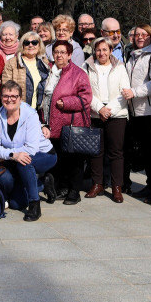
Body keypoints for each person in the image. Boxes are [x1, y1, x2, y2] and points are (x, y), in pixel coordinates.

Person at [0, 80, 58, 222]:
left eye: (14, 96)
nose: (10, 99)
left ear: (20, 98)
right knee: (16, 203)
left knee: (25, 162)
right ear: (1, 98)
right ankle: (43, 183)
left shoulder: (30, 114)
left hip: (45, 155)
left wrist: (7, 155)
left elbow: (31, 148)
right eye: (6, 96)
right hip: (17, 158)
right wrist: (12, 155)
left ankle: (34, 205)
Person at [83, 37, 131, 203]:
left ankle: (117, 186)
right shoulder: (87, 67)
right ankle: (97, 184)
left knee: (116, 152)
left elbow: (124, 92)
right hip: (95, 113)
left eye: (105, 49)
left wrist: (108, 110)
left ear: (111, 51)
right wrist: (99, 108)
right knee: (96, 151)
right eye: (98, 50)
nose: (101, 53)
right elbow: (85, 91)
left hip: (116, 113)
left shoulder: (119, 67)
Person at [46, 40, 92, 205]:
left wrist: (66, 102)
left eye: (62, 52)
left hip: (71, 123)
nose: (59, 55)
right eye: (56, 52)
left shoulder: (78, 74)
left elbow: (86, 98)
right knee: (60, 158)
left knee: (74, 159)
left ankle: (75, 191)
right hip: (52, 123)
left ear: (70, 55)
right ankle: (63, 187)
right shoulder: (50, 71)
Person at [125, 24, 151, 203]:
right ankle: (150, 185)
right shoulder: (132, 55)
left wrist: (135, 92)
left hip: (150, 111)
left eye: (144, 34)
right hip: (135, 111)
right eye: (137, 34)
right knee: (145, 152)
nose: (140, 37)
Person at [1, 31, 51, 115]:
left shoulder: (44, 62)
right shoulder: (12, 63)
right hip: (18, 110)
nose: (30, 45)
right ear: (22, 45)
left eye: (34, 42)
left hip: (38, 111)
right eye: (27, 43)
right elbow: (6, 88)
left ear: (39, 45)